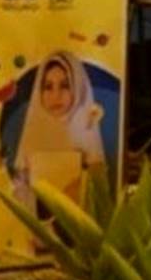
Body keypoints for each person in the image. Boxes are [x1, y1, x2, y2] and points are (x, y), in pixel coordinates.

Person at [11, 51, 106, 220]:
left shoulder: (87, 132)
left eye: (65, 86)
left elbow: (100, 195)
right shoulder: (33, 134)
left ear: (77, 88)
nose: (56, 96)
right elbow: (19, 191)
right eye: (48, 87)